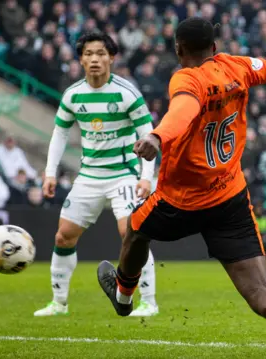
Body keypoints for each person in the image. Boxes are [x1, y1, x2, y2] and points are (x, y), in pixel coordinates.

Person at [96, 17, 266, 359]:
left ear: (178, 49)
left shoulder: (187, 78)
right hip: (229, 199)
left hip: (181, 200)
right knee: (258, 291)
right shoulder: (238, 67)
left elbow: (184, 111)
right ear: (214, 47)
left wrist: (156, 135)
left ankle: (124, 297)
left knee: (137, 229)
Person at [35, 31, 159, 317]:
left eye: (101, 54)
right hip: (89, 176)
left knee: (131, 235)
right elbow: (59, 134)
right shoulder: (73, 94)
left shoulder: (128, 93)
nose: (94, 59)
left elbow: (149, 137)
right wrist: (50, 173)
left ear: (112, 58)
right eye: (88, 54)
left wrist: (146, 177)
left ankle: (149, 302)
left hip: (124, 174)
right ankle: (58, 303)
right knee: (63, 237)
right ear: (80, 59)